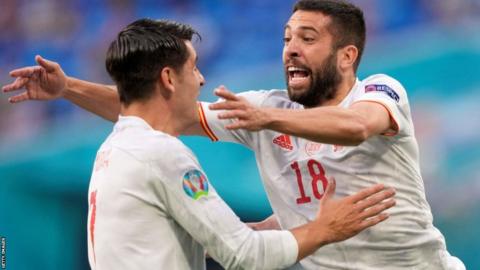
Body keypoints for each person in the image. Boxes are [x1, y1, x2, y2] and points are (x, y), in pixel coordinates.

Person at [1, 1, 464, 269]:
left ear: (346, 56)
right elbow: (160, 110)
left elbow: (358, 127)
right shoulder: (262, 109)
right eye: (286, 38)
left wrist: (268, 123)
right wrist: (68, 88)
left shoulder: (380, 91)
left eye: (307, 38)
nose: (291, 50)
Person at [55, 18, 396, 270]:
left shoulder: (114, 150)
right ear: (169, 79)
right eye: (194, 67)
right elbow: (244, 254)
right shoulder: (161, 153)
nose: (202, 79)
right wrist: (324, 229)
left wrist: (68, 87)